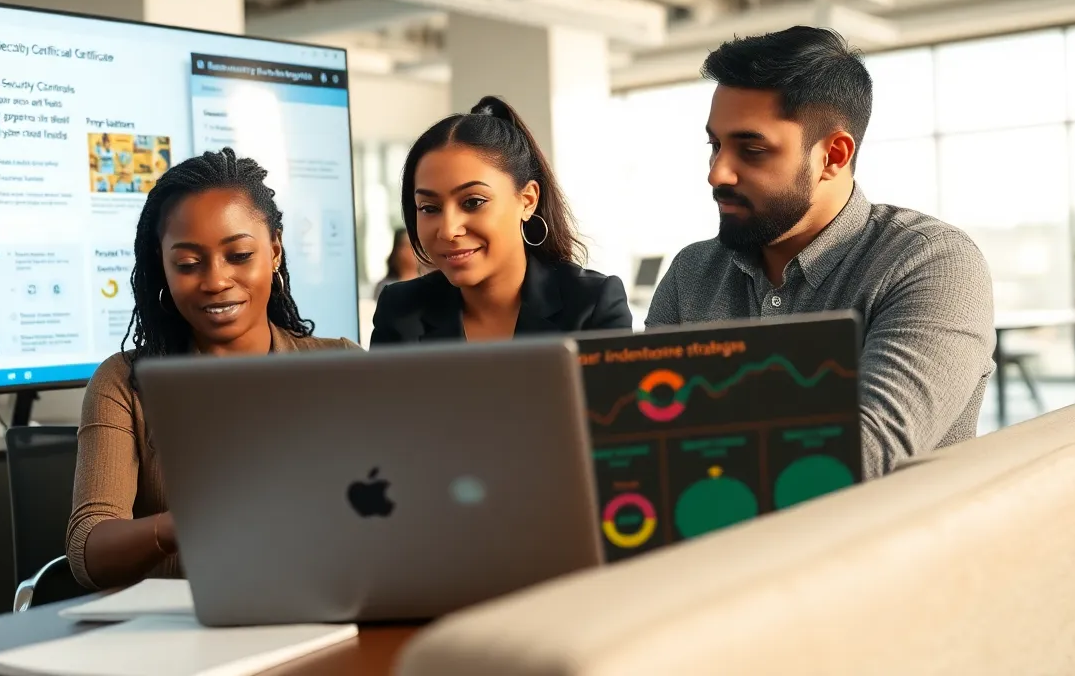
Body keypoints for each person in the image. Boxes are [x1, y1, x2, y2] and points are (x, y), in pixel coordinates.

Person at [644, 26, 995, 480]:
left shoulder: (931, 263)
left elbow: (863, 455)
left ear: (833, 154)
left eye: (751, 150)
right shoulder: (692, 272)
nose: (718, 174)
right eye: (715, 145)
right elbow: (647, 433)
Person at [67, 147, 358, 591]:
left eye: (239, 255)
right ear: (161, 267)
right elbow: (89, 550)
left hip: (325, 612)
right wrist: (186, 522)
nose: (216, 280)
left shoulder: (343, 367)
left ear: (274, 250)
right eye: (187, 264)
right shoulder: (125, 383)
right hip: (180, 639)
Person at [371, 96, 631, 344]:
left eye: (473, 202)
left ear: (527, 200)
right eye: (429, 208)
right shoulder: (400, 311)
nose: (448, 230)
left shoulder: (591, 305)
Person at [372, 228, 421, 300]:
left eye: (418, 245)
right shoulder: (385, 287)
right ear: (398, 250)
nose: (415, 250)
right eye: (409, 246)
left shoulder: (431, 284)